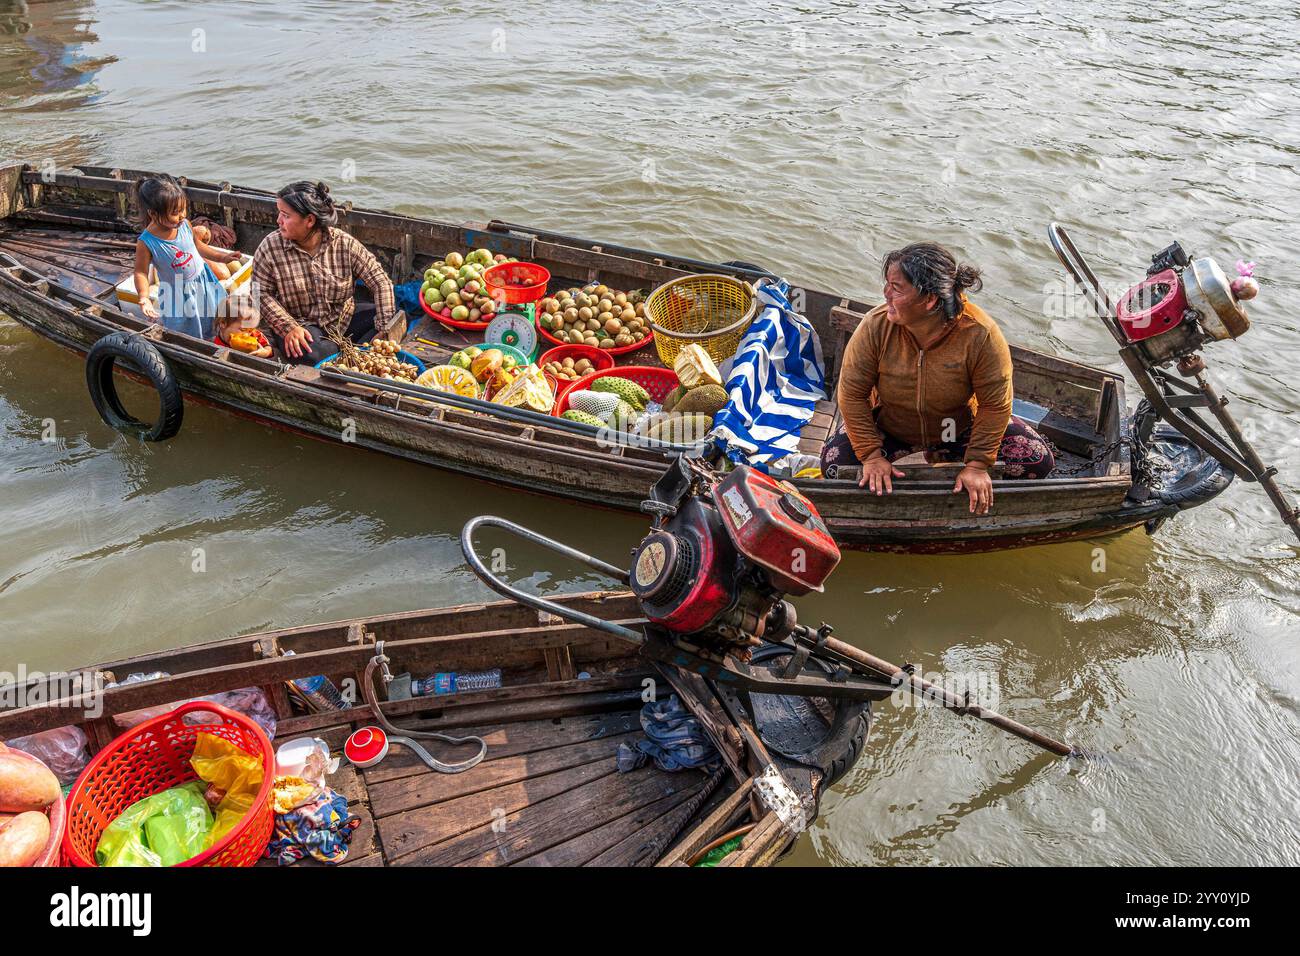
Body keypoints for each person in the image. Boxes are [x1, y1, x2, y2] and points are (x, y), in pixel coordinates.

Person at [821, 242, 1054, 514]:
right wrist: (871, 456)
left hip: (959, 427)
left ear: (929, 299)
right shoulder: (876, 326)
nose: (886, 294)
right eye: (887, 285)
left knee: (1037, 462)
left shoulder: (981, 334)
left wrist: (978, 465)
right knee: (835, 466)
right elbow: (852, 394)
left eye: (896, 288)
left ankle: (950, 460)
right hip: (893, 426)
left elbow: (995, 405)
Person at [251, 180, 401, 365]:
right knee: (314, 354)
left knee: (398, 317)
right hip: (302, 325)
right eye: (279, 214)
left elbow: (379, 280)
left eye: (285, 215)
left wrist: (384, 329)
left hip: (341, 321)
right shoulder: (270, 247)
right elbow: (260, 293)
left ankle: (354, 356)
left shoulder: (344, 243)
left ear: (310, 220)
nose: (278, 221)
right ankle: (347, 355)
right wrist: (288, 327)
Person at [131, 175, 239, 339]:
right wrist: (144, 297)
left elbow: (198, 247)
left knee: (214, 315)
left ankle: (217, 339)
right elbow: (140, 273)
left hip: (204, 282)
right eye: (175, 212)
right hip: (178, 294)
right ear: (153, 214)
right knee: (188, 330)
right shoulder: (146, 242)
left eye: (183, 209)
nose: (182, 215)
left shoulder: (185, 225)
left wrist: (222, 257)